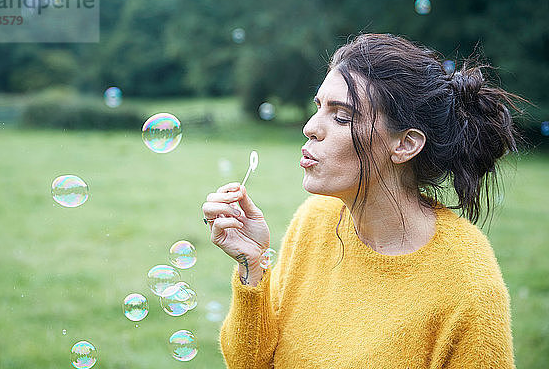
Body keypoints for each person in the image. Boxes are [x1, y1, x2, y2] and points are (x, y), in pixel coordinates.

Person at [201, 33, 525, 368]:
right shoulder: (315, 219)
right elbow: (252, 363)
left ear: (405, 145)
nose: (310, 128)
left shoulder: (468, 286)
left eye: (341, 116)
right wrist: (252, 266)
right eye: (318, 108)